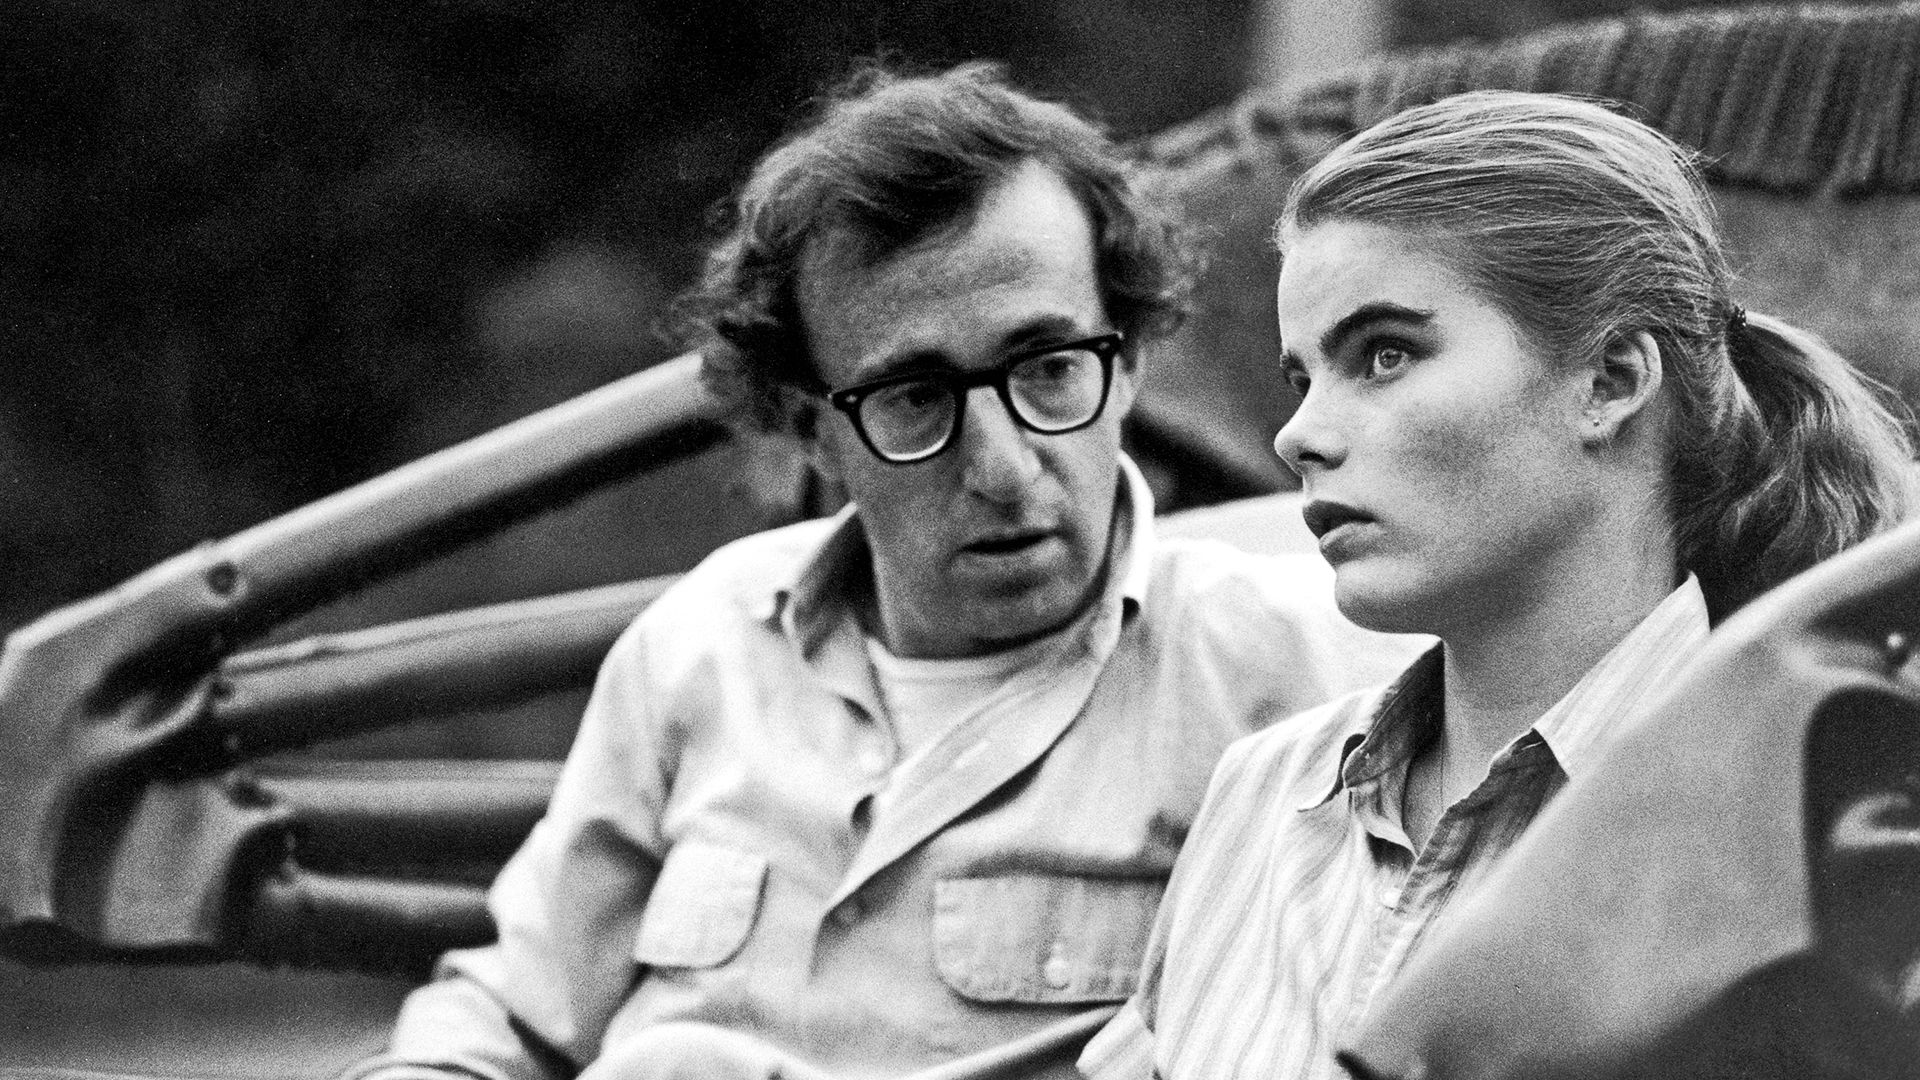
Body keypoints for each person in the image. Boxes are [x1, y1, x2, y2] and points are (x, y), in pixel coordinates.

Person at [348, 63, 1420, 1080]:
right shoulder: (701, 644)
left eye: (1050, 369)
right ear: (812, 429)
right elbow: (508, 1011)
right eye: (915, 399)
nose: (1003, 469)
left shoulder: (1289, 676)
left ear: (1130, 358)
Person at [1081, 89, 1915, 1080]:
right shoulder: (1261, 792)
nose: (1297, 434)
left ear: (1611, 380)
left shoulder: (1819, 817)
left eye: (1384, 354)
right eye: (1302, 377)